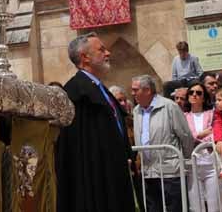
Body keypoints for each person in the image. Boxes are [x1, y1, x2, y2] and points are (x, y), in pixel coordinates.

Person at [56, 33, 135, 211]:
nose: (108, 53)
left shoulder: (99, 89)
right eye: (101, 50)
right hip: (97, 180)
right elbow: (79, 147)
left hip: (113, 174)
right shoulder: (77, 92)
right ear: (85, 57)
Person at [132, 74, 193, 212]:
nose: (132, 93)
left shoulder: (169, 106)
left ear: (147, 90)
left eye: (135, 90)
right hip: (148, 173)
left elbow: (185, 136)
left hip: (169, 172)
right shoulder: (136, 111)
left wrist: (184, 160)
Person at [184, 81, 221, 212]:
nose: (194, 95)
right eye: (191, 92)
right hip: (192, 166)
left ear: (204, 97)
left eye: (198, 93)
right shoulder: (184, 117)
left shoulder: (212, 114)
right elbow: (185, 137)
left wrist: (196, 137)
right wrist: (201, 134)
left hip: (211, 164)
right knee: (196, 207)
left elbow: (215, 133)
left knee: (215, 206)